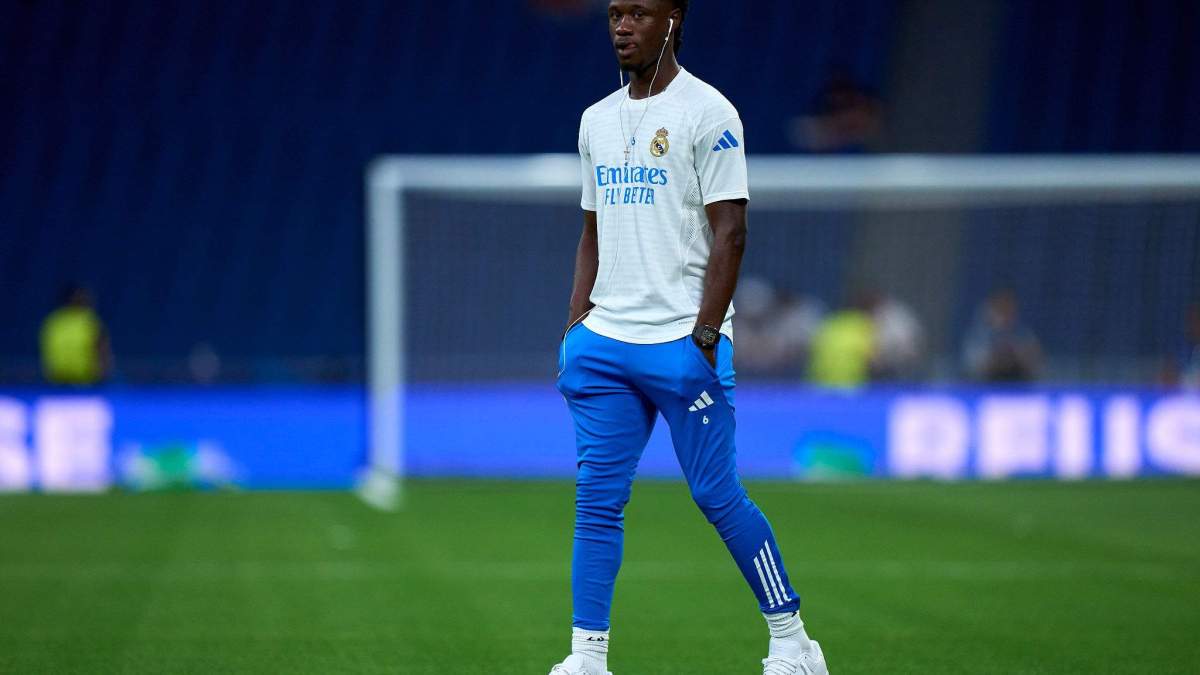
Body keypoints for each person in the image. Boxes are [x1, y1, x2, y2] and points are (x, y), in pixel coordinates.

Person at [551, 3, 828, 674]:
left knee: (715, 494)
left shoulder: (710, 113)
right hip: (607, 344)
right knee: (597, 502)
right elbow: (592, 229)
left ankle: (793, 640)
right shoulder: (595, 120)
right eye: (615, 13)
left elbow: (731, 231)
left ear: (672, 21)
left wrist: (705, 335)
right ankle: (587, 657)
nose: (621, 25)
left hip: (682, 340)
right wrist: (574, 326)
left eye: (639, 13)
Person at [962, 289, 1041, 383]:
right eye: (1001, 308)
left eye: (1008, 308)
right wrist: (996, 357)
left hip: (1019, 386)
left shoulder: (1023, 334)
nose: (1005, 314)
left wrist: (1016, 355)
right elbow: (972, 367)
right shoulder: (979, 336)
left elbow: (1036, 365)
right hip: (986, 386)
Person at [39, 284, 110, 386]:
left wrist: (102, 373)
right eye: (80, 297)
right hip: (58, 381)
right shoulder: (55, 321)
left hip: (85, 381)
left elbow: (101, 347)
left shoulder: (89, 320)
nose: (83, 299)